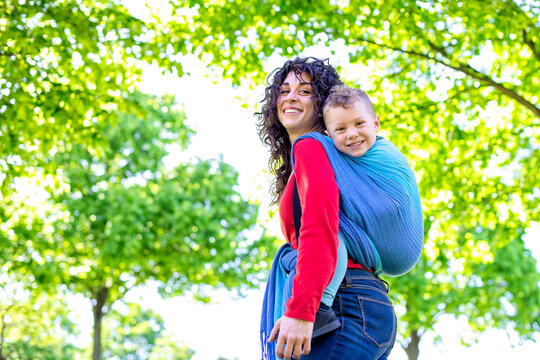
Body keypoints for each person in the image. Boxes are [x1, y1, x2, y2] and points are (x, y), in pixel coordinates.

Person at [259, 58, 423, 360]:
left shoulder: (312, 147)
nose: (291, 97)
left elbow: (320, 231)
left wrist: (302, 309)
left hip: (340, 307)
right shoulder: (332, 157)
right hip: (368, 309)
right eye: (284, 91)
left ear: (322, 102)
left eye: (305, 91)